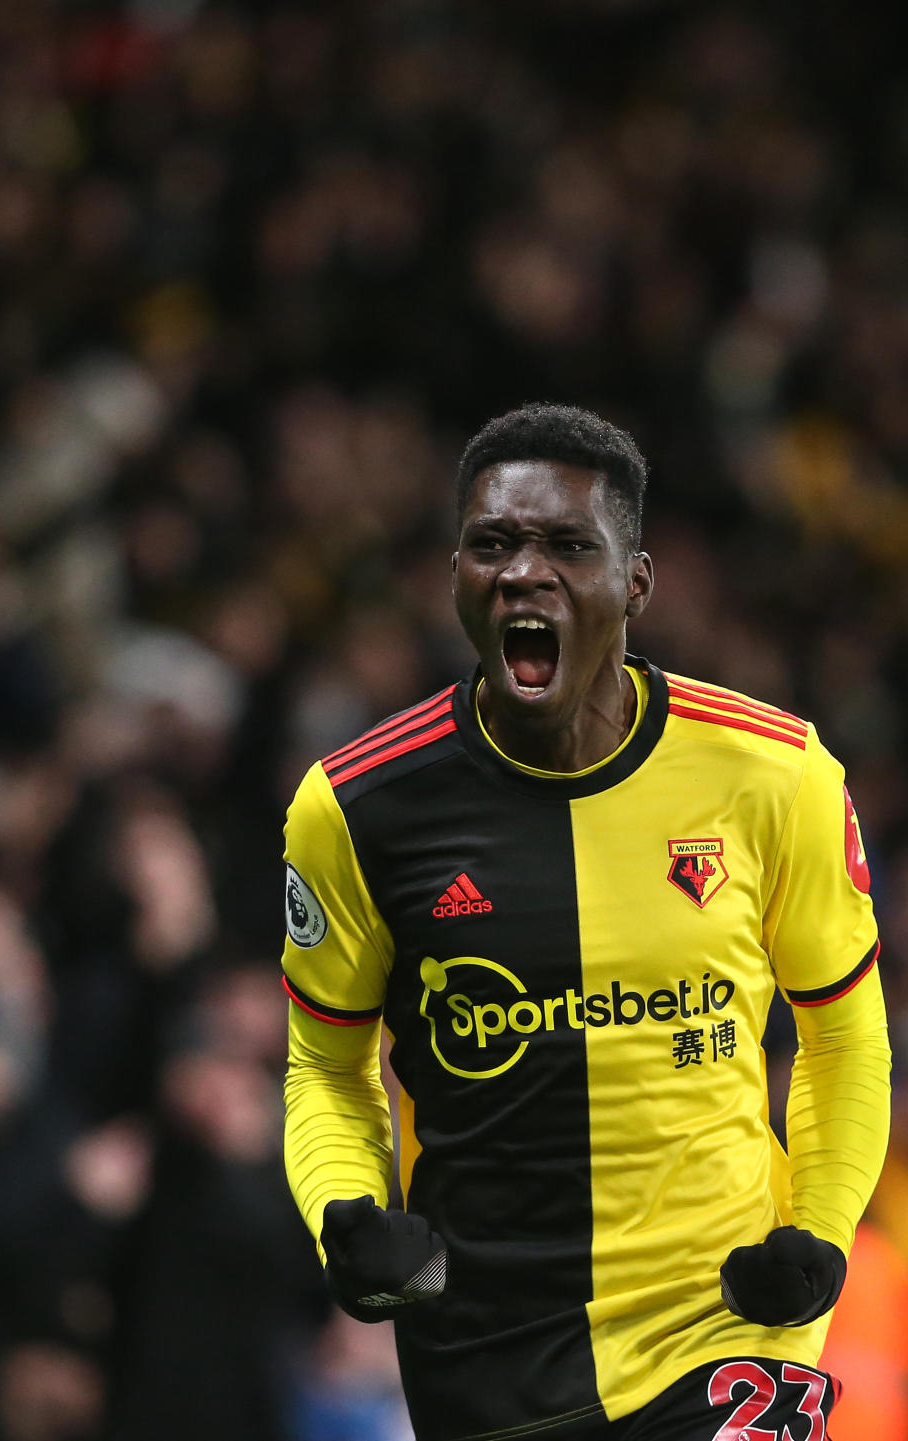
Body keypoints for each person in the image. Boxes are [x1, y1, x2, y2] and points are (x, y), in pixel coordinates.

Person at [282, 402, 891, 1441]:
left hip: (725, 1323)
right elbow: (325, 1067)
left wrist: (822, 1232)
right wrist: (346, 1213)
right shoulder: (355, 806)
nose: (525, 571)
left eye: (568, 544)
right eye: (493, 544)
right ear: (458, 576)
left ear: (635, 583)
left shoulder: (775, 775)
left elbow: (843, 1034)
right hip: (485, 1355)